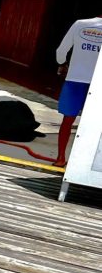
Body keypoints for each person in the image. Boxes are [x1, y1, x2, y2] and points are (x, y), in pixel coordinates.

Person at [55, 14, 102, 165]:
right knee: (94, 124)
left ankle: (60, 158)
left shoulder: (80, 24)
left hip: (75, 79)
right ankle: (84, 164)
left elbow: (61, 50)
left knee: (68, 120)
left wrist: (62, 64)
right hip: (98, 82)